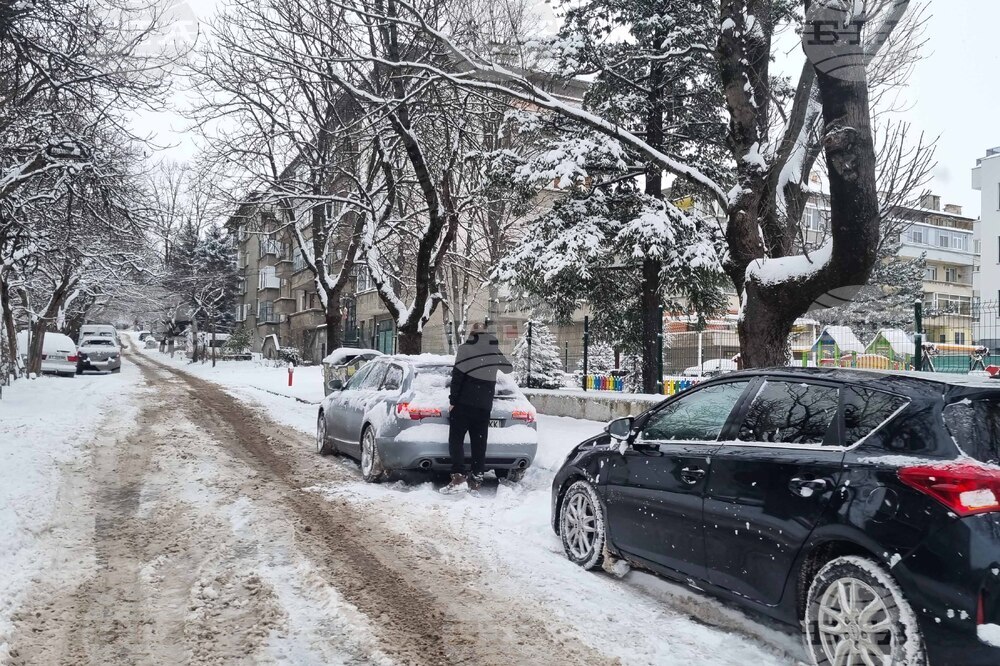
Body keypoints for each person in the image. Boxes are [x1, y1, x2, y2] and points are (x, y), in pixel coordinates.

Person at [441, 322, 513, 494]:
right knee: (479, 442)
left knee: (456, 440)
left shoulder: (466, 349)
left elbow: (457, 376)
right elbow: (508, 368)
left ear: (472, 334)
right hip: (484, 405)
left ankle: (458, 476)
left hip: (464, 404)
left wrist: (453, 400)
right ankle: (477, 478)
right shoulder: (492, 348)